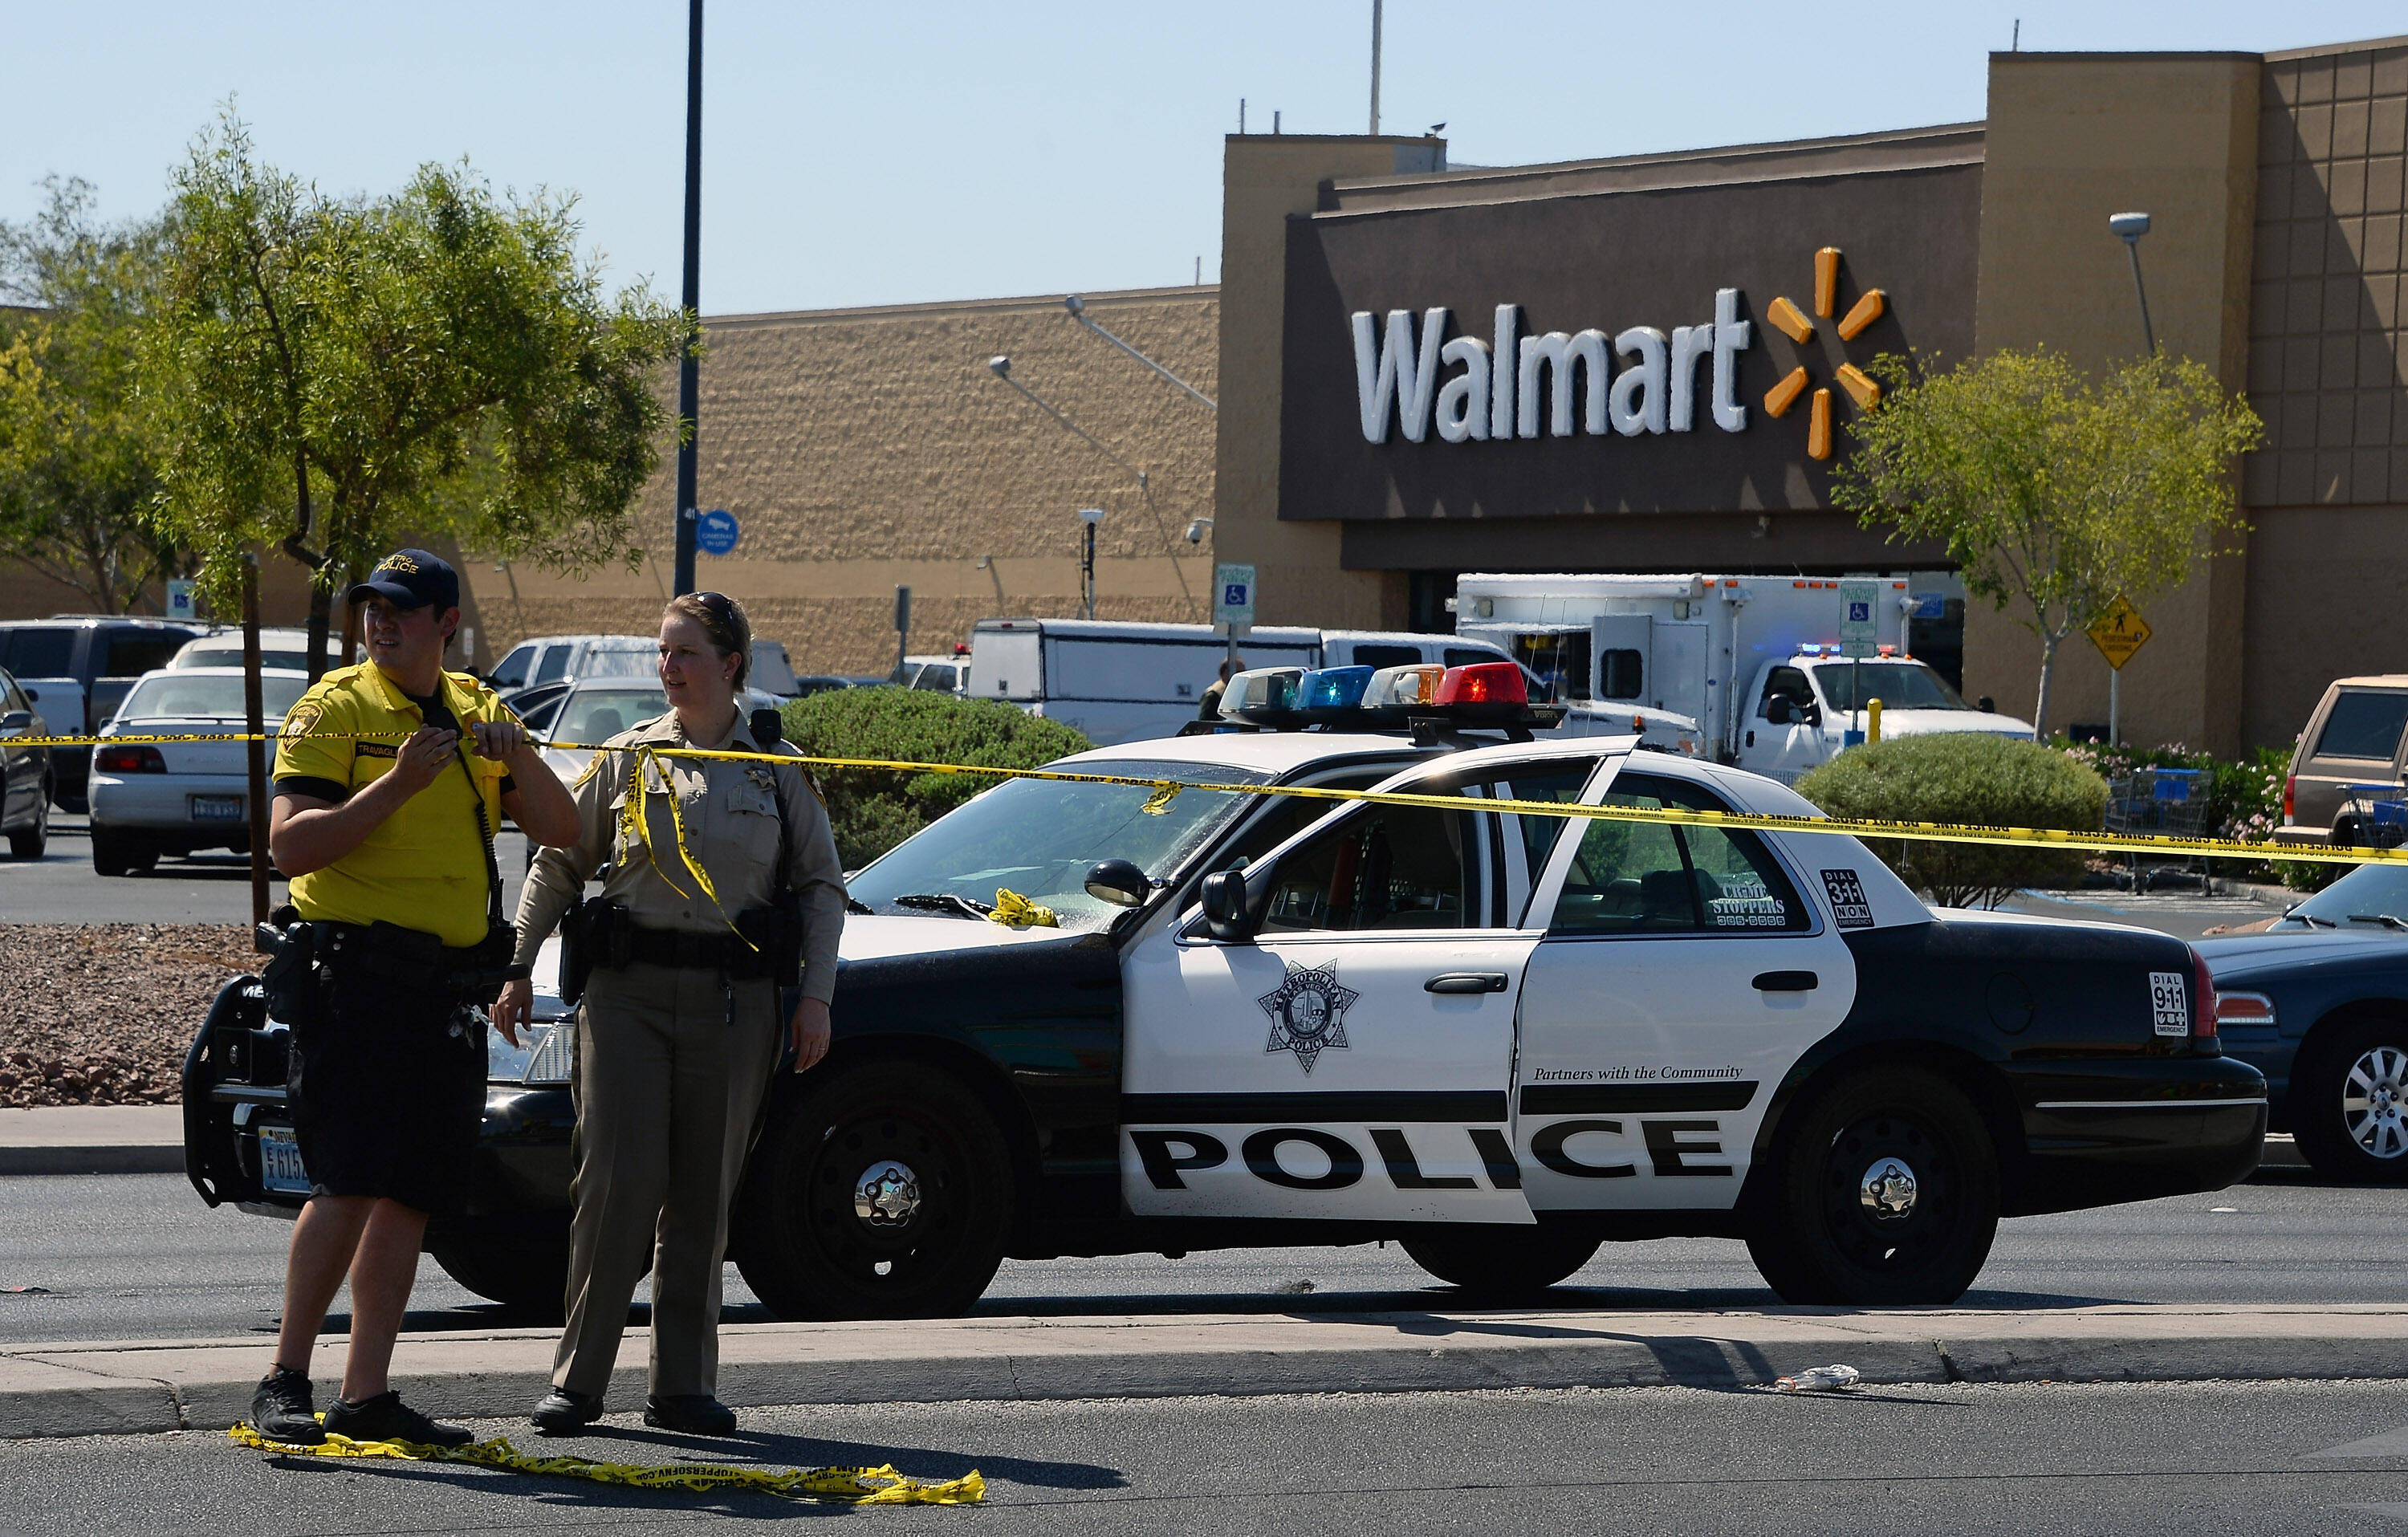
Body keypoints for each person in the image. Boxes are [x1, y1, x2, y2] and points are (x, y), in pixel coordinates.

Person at [249, 548, 582, 1447]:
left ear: (445, 622)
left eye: (400, 609)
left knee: (409, 1195)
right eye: (371, 608)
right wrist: (400, 781)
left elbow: (561, 830)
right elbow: (291, 847)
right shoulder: (337, 708)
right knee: (347, 1184)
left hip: (447, 992)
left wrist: (523, 759)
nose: (380, 622)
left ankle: (366, 1394)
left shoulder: (478, 707)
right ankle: (284, 1377)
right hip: (357, 983)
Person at [498, 591, 848, 1437]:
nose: (668, 667)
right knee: (616, 1183)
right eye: (662, 651)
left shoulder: (775, 766)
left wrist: (816, 998)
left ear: (730, 666)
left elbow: (821, 889)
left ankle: (682, 1385)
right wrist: (515, 965)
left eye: (685, 652)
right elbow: (559, 861)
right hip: (627, 999)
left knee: (702, 1195)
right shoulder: (625, 757)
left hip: (735, 1006)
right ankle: (577, 1382)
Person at [1198, 654, 1245, 720]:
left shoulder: (1238, 693)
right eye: (1239, 673)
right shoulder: (1213, 695)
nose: (1243, 676)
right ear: (1226, 673)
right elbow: (1205, 725)